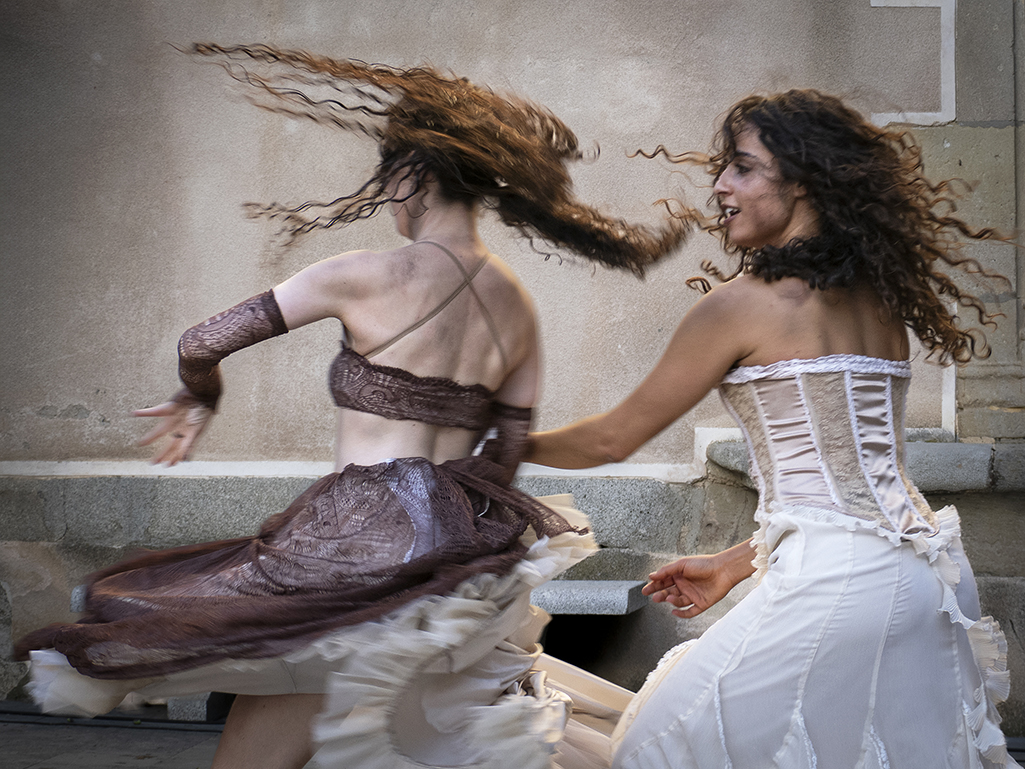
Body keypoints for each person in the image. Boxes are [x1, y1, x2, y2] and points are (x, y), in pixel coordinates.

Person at [15, 44, 688, 769]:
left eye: (388, 175)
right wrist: (459, 535)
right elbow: (506, 451)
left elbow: (200, 341)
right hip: (456, 546)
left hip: (353, 539)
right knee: (388, 719)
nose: (388, 195)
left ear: (413, 175)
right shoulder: (515, 304)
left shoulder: (363, 274)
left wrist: (200, 396)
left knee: (254, 688)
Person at [528, 89, 1020, 767]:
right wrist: (735, 562)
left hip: (840, 587)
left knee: (656, 749)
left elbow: (611, 440)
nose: (719, 186)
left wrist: (492, 438)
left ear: (804, 179)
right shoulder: (879, 301)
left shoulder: (740, 307)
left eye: (742, 167)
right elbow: (852, 495)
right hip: (925, 578)